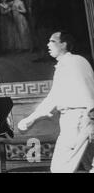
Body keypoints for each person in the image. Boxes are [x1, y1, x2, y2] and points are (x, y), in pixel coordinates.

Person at [18, 32, 94, 173]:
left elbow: (54, 98)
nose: (48, 44)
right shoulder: (80, 61)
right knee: (90, 165)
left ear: (63, 44)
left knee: (60, 168)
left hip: (75, 119)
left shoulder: (67, 64)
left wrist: (29, 119)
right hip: (86, 119)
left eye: (52, 41)